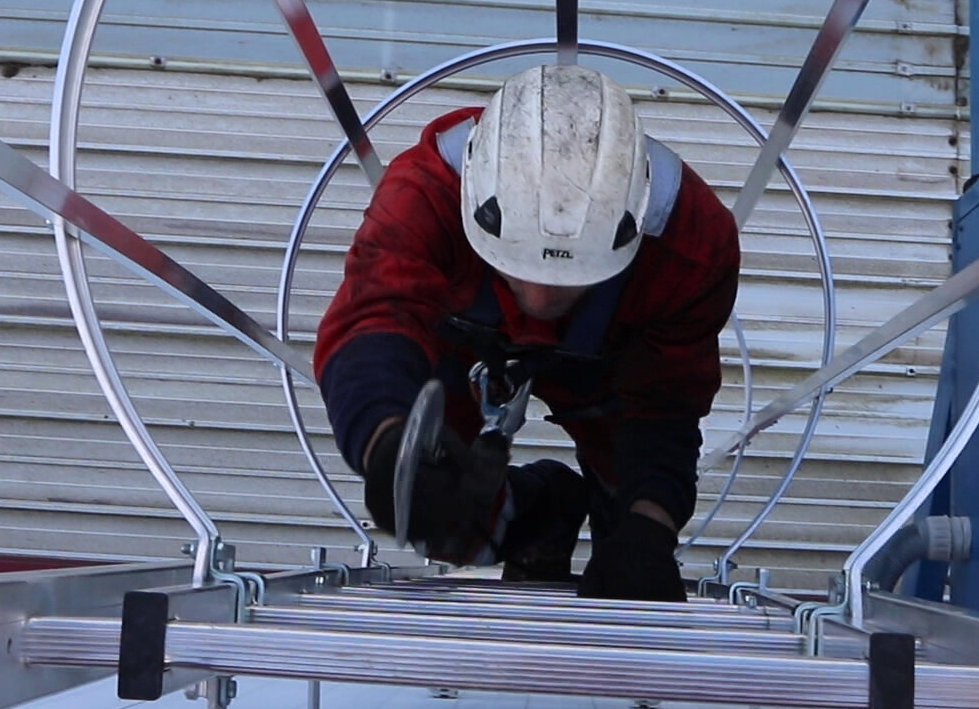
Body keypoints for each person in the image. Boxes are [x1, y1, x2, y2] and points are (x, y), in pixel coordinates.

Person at [313, 64, 740, 601]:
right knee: (449, 512)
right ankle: (542, 511)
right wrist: (387, 443)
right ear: (474, 202)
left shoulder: (691, 243)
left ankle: (620, 538)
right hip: (459, 340)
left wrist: (649, 528)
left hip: (609, 363)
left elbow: (664, 404)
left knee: (630, 527)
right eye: (520, 268)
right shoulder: (426, 193)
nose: (539, 301)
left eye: (568, 279)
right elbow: (374, 320)